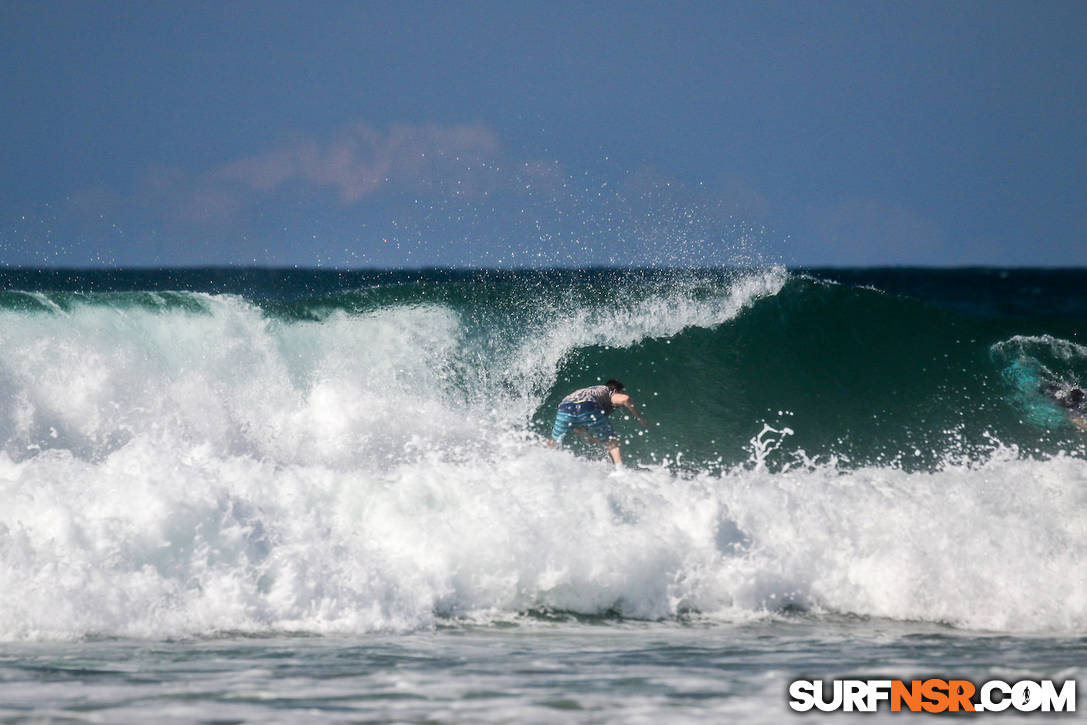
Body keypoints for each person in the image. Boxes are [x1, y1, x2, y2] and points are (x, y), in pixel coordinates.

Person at [546, 379, 648, 465]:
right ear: (616, 390)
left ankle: (544, 462)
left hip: (564, 408)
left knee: (554, 441)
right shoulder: (609, 391)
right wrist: (640, 419)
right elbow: (626, 399)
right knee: (612, 441)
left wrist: (594, 440)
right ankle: (620, 471)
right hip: (586, 405)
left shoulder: (591, 390)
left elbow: (578, 429)